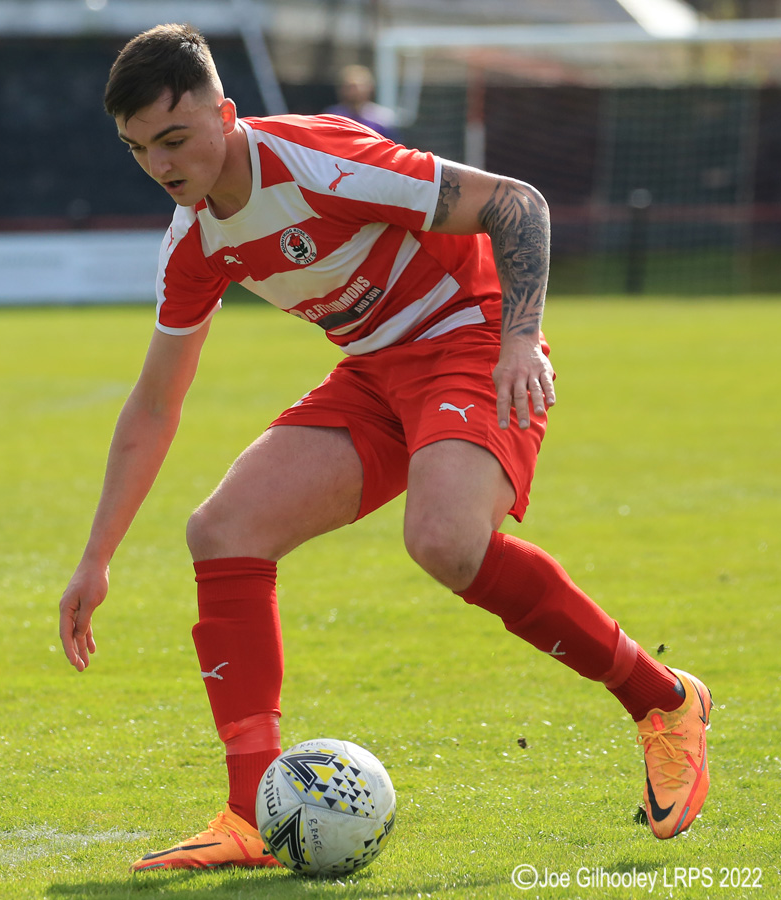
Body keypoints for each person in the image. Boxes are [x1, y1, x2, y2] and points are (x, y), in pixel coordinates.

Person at [58, 23, 712, 872]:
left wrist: (521, 339)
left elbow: (517, 202)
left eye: (175, 139)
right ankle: (251, 814)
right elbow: (153, 406)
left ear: (224, 114)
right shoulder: (194, 241)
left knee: (443, 540)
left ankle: (662, 702)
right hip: (376, 375)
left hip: (472, 340)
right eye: (138, 149)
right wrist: (95, 559)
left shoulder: (318, 163)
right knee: (222, 532)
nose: (161, 166)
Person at [324, 63, 401, 142]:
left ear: (369, 88)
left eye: (358, 86)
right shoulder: (331, 117)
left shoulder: (383, 119)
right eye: (349, 87)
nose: (354, 91)